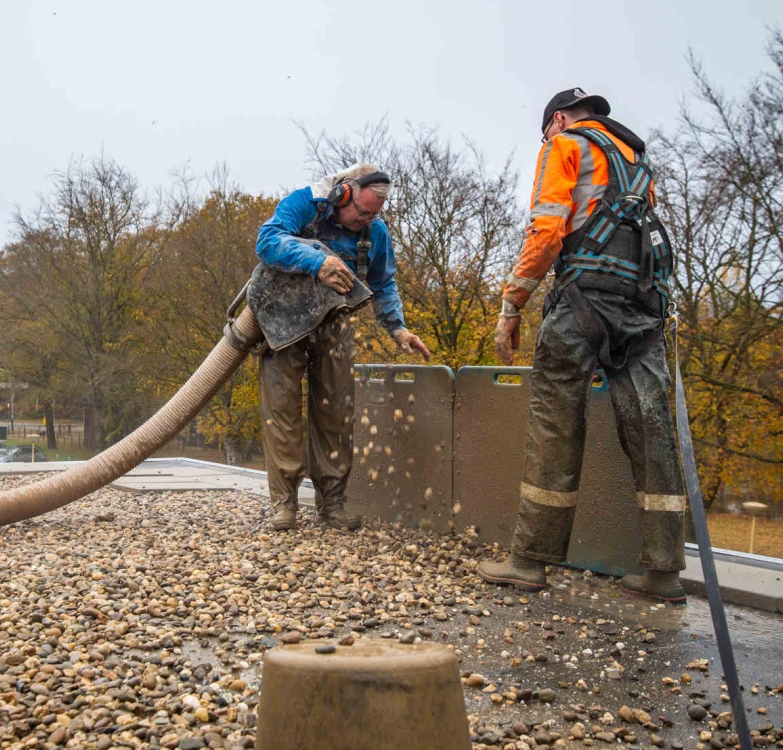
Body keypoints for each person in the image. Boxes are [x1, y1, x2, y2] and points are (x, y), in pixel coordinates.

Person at [478, 89, 688, 603]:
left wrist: (513, 303)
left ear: (558, 120)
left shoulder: (564, 145)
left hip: (581, 303)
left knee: (556, 424)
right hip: (644, 311)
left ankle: (528, 561)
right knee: (652, 429)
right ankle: (664, 573)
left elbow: (547, 231)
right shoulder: (639, 165)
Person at [255, 164, 430, 531]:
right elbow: (267, 240)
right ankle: (284, 504)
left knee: (336, 411)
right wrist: (317, 261)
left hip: (334, 323)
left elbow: (383, 283)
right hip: (281, 320)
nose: (365, 219)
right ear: (343, 195)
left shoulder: (374, 232)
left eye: (374, 214)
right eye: (362, 211)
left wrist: (397, 329)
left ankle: (332, 503)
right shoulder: (305, 204)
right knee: (283, 411)